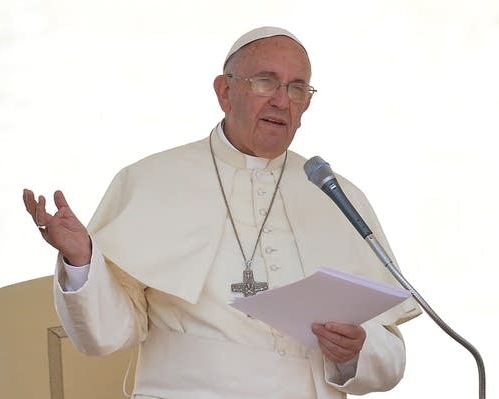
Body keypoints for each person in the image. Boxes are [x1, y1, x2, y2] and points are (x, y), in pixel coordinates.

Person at [23, 26, 420, 399]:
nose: (282, 100)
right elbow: (104, 335)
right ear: (225, 92)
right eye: (266, 81)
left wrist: (357, 349)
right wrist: (81, 259)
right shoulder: (151, 181)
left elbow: (391, 358)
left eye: (297, 88)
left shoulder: (336, 196)